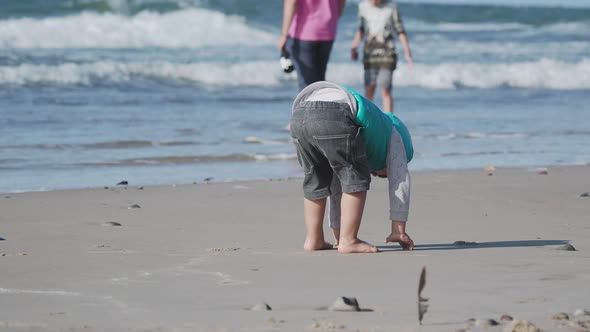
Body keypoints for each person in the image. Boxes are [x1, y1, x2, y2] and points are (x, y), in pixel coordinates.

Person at [289, 81, 415, 253]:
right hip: (334, 114)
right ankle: (349, 240)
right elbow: (400, 182)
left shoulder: (376, 127)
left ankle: (314, 239)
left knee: (316, 180)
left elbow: (336, 185)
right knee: (355, 178)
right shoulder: (396, 136)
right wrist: (398, 230)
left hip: (299, 113)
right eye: (382, 174)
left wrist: (337, 232)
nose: (376, 173)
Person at [350, 0, 413, 113]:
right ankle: (367, 118)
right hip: (369, 55)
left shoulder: (392, 7)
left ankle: (389, 120)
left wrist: (407, 51)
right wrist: (354, 46)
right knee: (369, 88)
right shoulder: (363, 7)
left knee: (385, 89)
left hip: (388, 54)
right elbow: (361, 30)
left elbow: (400, 30)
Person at [277, 0, 346, 91]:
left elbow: (292, 2)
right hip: (328, 30)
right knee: (319, 82)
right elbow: (341, 4)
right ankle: (319, 103)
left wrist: (284, 33)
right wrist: (334, 17)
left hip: (304, 33)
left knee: (306, 85)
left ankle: (307, 105)